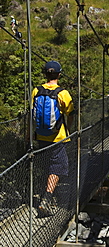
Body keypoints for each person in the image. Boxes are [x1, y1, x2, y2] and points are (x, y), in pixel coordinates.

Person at [32, 60, 74, 217]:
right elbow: (70, 115)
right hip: (57, 138)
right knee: (57, 167)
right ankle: (46, 199)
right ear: (59, 74)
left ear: (45, 74)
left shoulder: (36, 91)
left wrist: (30, 135)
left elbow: (32, 114)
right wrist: (69, 130)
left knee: (46, 165)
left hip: (40, 136)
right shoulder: (63, 93)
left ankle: (45, 194)